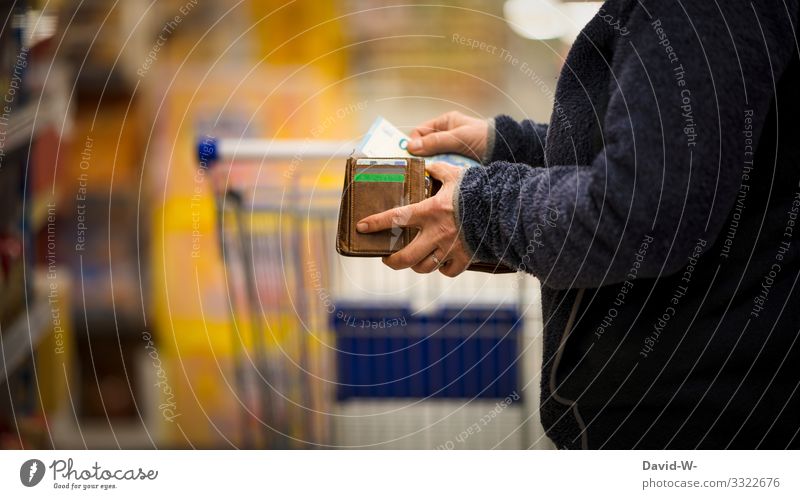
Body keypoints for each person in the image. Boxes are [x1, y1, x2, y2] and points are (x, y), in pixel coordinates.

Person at [356, 0, 800, 449]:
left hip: (692, 428)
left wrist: (479, 210)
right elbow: (663, 153)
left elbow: (638, 209)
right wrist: (507, 146)